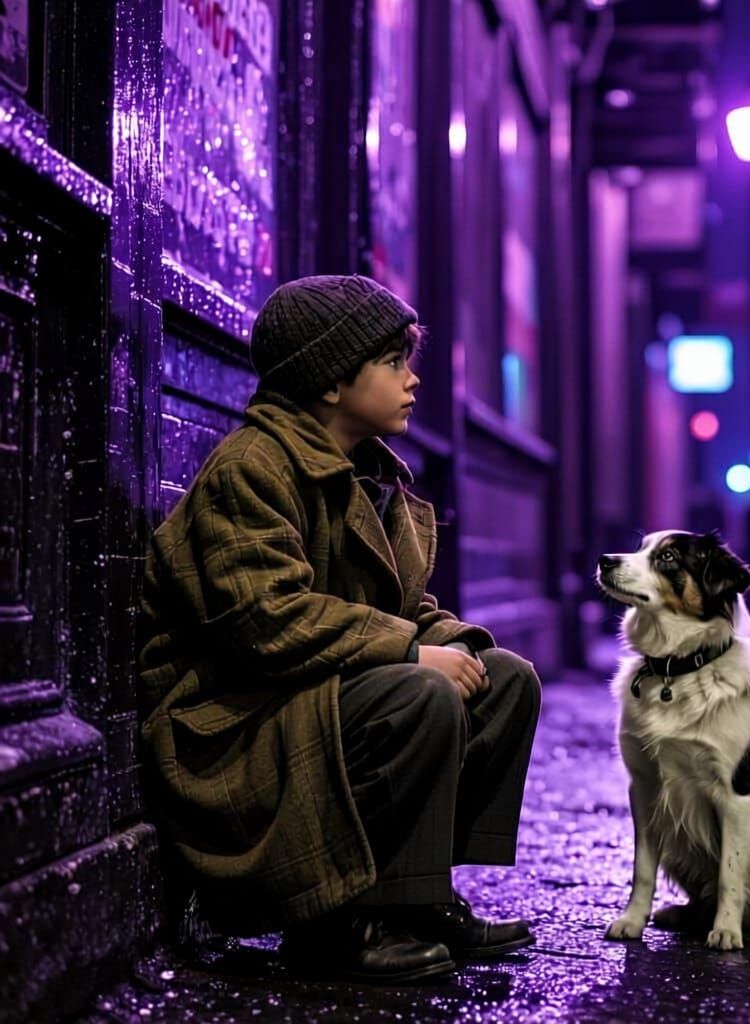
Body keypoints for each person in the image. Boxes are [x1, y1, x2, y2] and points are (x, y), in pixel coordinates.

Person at [138, 275, 541, 984]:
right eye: (393, 362)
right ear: (331, 382)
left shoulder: (363, 473)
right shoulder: (251, 469)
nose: (412, 379)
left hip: (303, 699)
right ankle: (328, 927)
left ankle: (413, 902)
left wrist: (453, 645)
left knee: (504, 679)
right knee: (420, 693)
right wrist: (413, 653)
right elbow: (266, 620)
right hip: (232, 724)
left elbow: (400, 605)